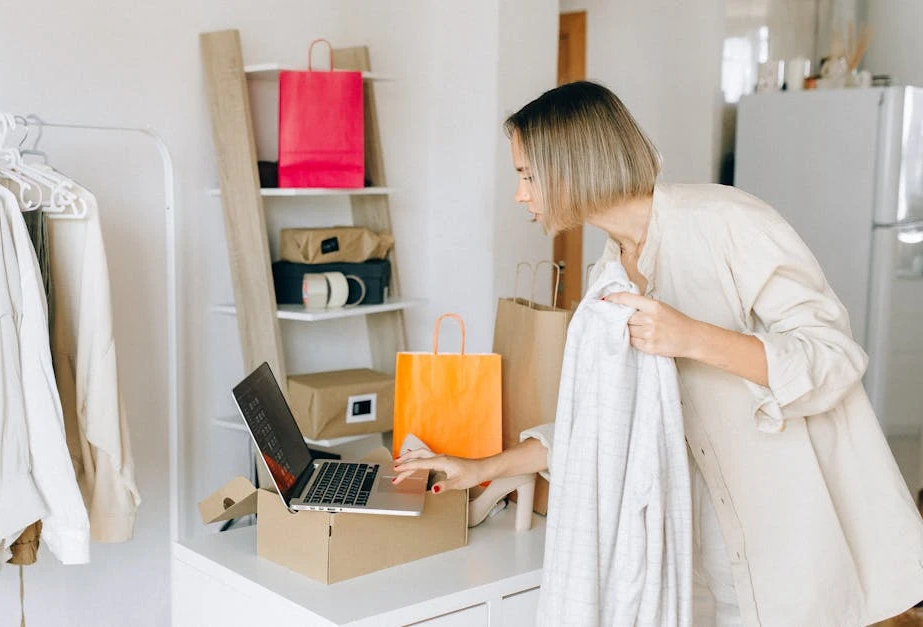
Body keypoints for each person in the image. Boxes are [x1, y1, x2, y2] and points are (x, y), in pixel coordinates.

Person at [392, 81, 923, 626]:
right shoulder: (609, 274)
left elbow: (833, 356)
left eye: (527, 174)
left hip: (787, 525)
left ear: (570, 168)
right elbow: (599, 427)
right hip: (699, 537)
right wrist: (481, 468)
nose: (520, 194)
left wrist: (692, 337)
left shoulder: (727, 221)